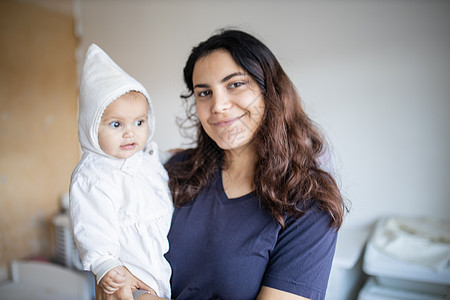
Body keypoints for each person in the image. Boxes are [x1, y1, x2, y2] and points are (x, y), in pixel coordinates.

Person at [97, 28, 347, 300]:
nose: (218, 105)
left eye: (235, 84)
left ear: (270, 91)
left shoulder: (308, 203)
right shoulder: (176, 171)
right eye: (204, 93)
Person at [69, 44, 174, 300]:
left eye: (139, 122)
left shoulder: (143, 156)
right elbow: (91, 226)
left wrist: (176, 154)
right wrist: (105, 265)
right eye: (116, 124)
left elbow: (158, 162)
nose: (130, 132)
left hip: (159, 262)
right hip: (127, 271)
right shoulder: (93, 176)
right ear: (92, 126)